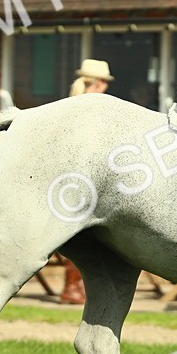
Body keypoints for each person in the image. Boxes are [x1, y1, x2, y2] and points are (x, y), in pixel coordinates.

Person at [60, 59, 115, 304]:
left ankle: (75, 287)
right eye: (103, 82)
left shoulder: (72, 107)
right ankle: (73, 287)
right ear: (99, 83)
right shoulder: (91, 109)